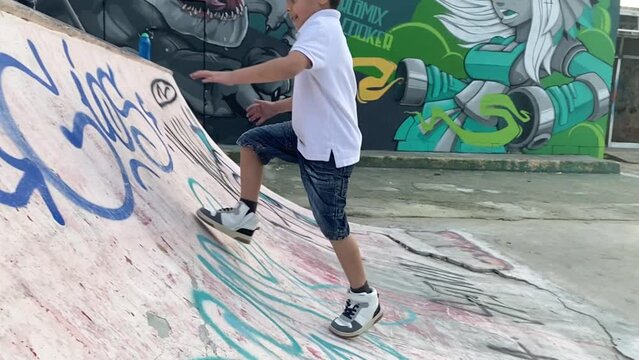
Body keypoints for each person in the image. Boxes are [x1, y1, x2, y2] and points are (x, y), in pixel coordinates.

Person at [191, 0, 382, 338]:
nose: (289, 6)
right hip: (306, 133)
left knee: (333, 226)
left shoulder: (322, 29)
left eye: (295, 0)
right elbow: (325, 89)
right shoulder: (323, 31)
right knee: (253, 143)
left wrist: (231, 76)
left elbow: (288, 68)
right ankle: (245, 216)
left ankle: (364, 297)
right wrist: (275, 107)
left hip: (328, 150)